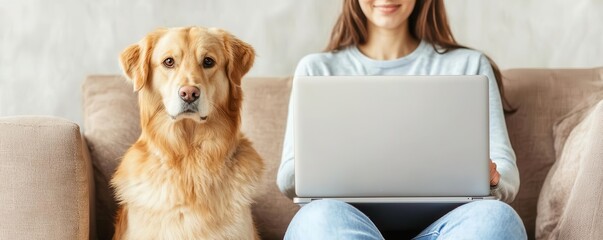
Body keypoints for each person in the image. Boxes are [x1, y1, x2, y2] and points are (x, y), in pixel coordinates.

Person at [277, 0, 527, 239]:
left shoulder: (469, 65)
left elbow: (506, 173)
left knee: (498, 218)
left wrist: (491, 178)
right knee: (318, 218)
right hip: (344, 224)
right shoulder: (316, 70)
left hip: (450, 228)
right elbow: (288, 175)